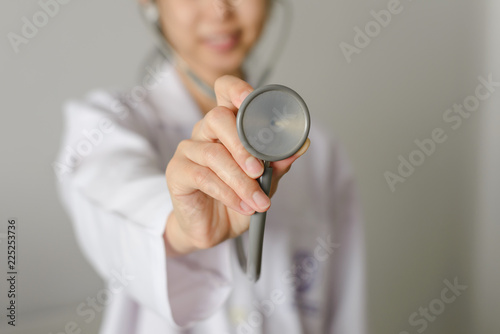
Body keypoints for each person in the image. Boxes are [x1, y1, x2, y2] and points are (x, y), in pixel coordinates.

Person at [55, 0, 366, 333]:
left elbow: (346, 314)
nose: (220, 9)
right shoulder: (102, 126)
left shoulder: (319, 150)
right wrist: (182, 228)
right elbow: (115, 198)